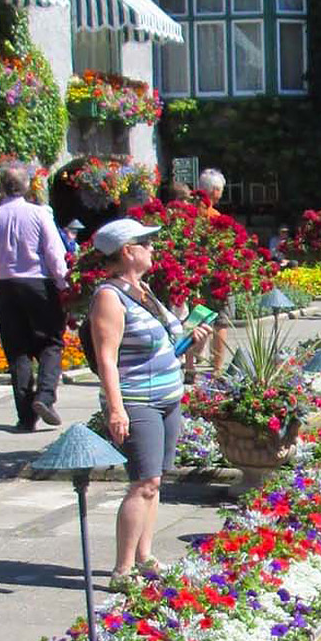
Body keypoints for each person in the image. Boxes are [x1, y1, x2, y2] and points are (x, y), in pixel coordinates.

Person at [86, 219, 208, 590]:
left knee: (156, 482)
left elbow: (168, 344)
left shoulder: (142, 290)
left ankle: (145, 556)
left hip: (168, 398)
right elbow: (106, 357)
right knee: (143, 483)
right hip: (139, 401)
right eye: (147, 243)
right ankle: (122, 570)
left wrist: (193, 342)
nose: (153, 249)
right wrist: (116, 408)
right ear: (127, 251)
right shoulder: (109, 296)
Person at [0, 164, 69, 432]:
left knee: (17, 351)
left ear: (2, 187)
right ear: (27, 186)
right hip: (37, 283)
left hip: (6, 286)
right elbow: (54, 253)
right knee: (51, 342)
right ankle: (45, 395)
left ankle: (26, 416)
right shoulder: (39, 214)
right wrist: (64, 286)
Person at [184, 169, 232, 376]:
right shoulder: (214, 217)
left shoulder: (187, 214)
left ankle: (189, 368)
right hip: (215, 276)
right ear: (214, 191)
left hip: (192, 274)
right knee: (221, 320)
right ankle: (217, 369)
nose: (222, 193)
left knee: (194, 320)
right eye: (221, 189)